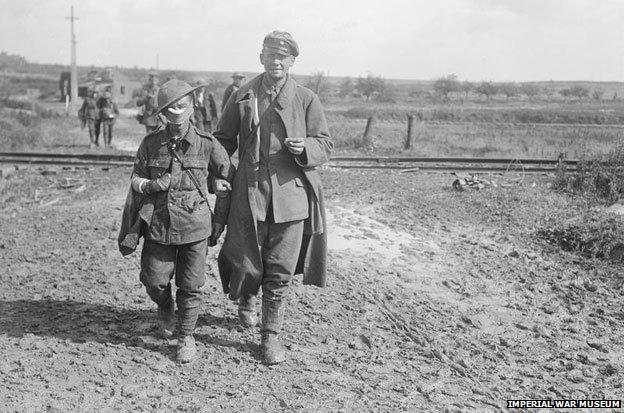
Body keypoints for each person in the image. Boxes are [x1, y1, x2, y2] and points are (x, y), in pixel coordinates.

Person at [214, 31, 332, 365]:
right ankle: (247, 298)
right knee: (249, 260)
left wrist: (306, 148)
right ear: (261, 58)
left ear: (293, 61)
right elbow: (222, 140)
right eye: (270, 55)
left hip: (290, 195)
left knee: (279, 267)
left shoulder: (307, 98)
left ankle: (270, 337)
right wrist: (222, 174)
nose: (276, 62)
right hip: (248, 194)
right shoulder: (243, 94)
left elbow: (325, 143)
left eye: (283, 57)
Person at [119, 79, 232, 364]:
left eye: (182, 106)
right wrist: (151, 186)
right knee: (154, 281)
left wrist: (216, 193)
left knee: (191, 286)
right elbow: (135, 180)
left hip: (195, 226)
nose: (177, 114)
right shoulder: (150, 144)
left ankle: (186, 336)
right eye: (170, 109)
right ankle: (166, 306)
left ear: (193, 108)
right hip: (159, 226)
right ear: (162, 114)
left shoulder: (208, 145)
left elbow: (229, 177)